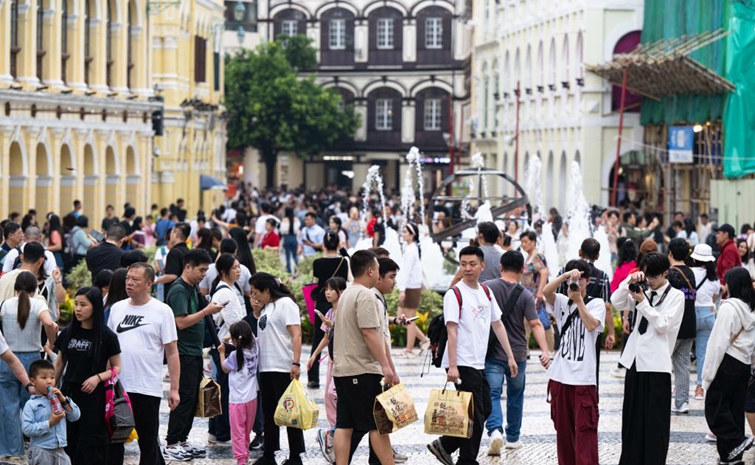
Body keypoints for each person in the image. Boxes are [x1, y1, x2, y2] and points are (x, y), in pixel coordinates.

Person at [427, 246, 518, 465]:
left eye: (472, 264)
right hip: (463, 363)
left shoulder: (486, 292)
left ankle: (446, 444)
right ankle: (466, 461)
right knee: (475, 416)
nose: (467, 268)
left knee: (484, 409)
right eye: (463, 264)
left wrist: (510, 356)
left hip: (478, 362)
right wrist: (453, 366)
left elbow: (497, 324)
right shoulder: (455, 294)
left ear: (482, 266)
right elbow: (452, 330)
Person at [611, 252, 685, 464]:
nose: (650, 281)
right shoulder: (641, 288)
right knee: (632, 419)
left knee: (655, 422)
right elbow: (616, 302)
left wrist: (643, 302)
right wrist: (628, 282)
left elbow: (663, 325)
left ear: (666, 273)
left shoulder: (676, 296)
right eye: (647, 276)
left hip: (656, 364)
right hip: (635, 361)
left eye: (654, 277)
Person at [107, 262, 181, 465]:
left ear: (149, 283)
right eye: (127, 278)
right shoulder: (117, 309)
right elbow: (109, 349)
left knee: (148, 442)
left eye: (135, 279)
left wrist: (174, 389)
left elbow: (172, 352)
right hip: (118, 387)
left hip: (147, 387)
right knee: (114, 440)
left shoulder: (162, 311)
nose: (129, 283)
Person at [332, 250, 396, 465]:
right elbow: (369, 332)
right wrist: (386, 366)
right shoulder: (366, 295)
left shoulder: (347, 294)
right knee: (377, 425)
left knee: (345, 424)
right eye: (378, 269)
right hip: (363, 369)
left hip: (343, 370)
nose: (379, 273)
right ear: (370, 270)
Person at [484, 251, 550, 456]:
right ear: (522, 269)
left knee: (492, 393)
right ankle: (513, 438)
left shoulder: (486, 288)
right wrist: (545, 350)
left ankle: (495, 430)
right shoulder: (525, 294)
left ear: (500, 268)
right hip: (518, 353)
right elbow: (536, 324)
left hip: (493, 351)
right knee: (515, 396)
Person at [544, 260, 606, 465]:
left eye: (580, 279)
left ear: (587, 280)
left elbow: (591, 325)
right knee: (563, 433)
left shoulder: (596, 304)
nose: (576, 283)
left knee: (586, 432)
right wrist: (564, 277)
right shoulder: (562, 301)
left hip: (583, 379)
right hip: (560, 377)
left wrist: (579, 300)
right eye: (573, 280)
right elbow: (545, 292)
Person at [165, 249, 224, 460]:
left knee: (191, 398)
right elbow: (180, 323)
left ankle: (182, 439)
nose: (203, 274)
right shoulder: (179, 290)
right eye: (201, 270)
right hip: (182, 353)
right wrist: (206, 311)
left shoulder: (192, 288)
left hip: (194, 352)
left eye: (206, 270)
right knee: (183, 397)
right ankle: (172, 442)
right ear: (187, 267)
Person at [53, 287, 121, 463]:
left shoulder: (107, 336)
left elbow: (117, 367)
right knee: (69, 438)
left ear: (95, 307)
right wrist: (51, 387)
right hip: (69, 393)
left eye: (83, 305)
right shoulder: (69, 332)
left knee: (91, 441)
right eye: (76, 304)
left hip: (94, 396)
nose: (78, 309)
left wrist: (97, 377)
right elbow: (60, 362)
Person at [0, 271, 56, 459]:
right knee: (35, 405)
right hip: (32, 361)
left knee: (8, 407)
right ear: (34, 288)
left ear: (16, 287)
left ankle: (11, 452)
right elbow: (50, 323)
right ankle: (39, 448)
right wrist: (51, 342)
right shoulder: (39, 304)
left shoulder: (5, 305)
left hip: (6, 359)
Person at [250, 272, 304, 465]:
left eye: (256, 292)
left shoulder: (286, 304)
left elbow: (296, 335)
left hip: (283, 366)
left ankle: (295, 456)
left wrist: (296, 363)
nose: (254, 296)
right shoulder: (267, 307)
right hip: (266, 367)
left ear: (267, 289)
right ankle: (269, 454)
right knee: (269, 412)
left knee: (290, 414)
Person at [702, 267, 755, 465]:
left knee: (714, 406)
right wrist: (751, 366)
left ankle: (737, 440)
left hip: (728, 361)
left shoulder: (729, 308)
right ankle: (730, 455)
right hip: (743, 364)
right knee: (734, 409)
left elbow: (718, 343)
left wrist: (707, 376)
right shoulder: (752, 308)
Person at [207, 253, 247, 445]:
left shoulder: (228, 289)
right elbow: (234, 325)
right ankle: (222, 432)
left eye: (239, 266)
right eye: (234, 267)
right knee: (225, 390)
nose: (238, 270)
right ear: (224, 271)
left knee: (221, 388)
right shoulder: (225, 293)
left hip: (223, 346)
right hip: (226, 347)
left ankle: (216, 432)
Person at [308, 277, 347, 464]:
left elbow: (347, 333)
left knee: (333, 393)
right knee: (328, 395)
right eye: (326, 289)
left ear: (341, 291)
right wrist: (314, 355)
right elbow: (325, 336)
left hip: (344, 360)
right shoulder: (330, 311)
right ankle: (332, 431)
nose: (327, 292)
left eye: (332, 289)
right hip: (332, 359)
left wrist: (334, 326)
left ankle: (333, 432)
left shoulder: (346, 312)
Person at [556, 238, 614, 349]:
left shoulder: (566, 271)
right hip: (591, 327)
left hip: (567, 324)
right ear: (597, 256)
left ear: (579, 252)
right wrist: (611, 333)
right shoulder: (602, 276)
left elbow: (556, 295)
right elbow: (607, 306)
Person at [309, 231, 349, 388]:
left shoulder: (317, 263)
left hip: (322, 302)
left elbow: (315, 282)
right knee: (340, 334)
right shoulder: (343, 262)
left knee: (319, 336)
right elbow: (345, 281)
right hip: (339, 301)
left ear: (324, 244)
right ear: (338, 243)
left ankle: (313, 377)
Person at [22, 359, 81, 465]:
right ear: (33, 381)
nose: (49, 381)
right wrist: (50, 423)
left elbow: (75, 416)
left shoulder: (59, 400)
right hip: (41, 451)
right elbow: (27, 429)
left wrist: (63, 400)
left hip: (61, 451)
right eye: (44, 377)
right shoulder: (31, 404)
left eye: (52, 377)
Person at [218, 321, 260, 465]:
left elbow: (224, 368)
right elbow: (250, 335)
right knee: (246, 431)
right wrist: (235, 336)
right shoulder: (255, 348)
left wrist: (222, 353)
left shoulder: (235, 355)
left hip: (237, 401)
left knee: (237, 433)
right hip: (252, 399)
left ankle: (241, 461)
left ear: (235, 340)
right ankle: (245, 457)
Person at [667, 238, 697, 414]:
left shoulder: (670, 274)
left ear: (670, 253)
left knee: (663, 363)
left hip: (674, 326)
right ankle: (682, 402)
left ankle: (661, 397)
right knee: (683, 364)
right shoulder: (691, 273)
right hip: (689, 324)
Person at [690, 244, 721, 400]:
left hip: (690, 315)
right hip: (708, 315)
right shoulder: (714, 278)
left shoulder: (689, 273)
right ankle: (700, 388)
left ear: (694, 258)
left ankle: (678, 388)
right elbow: (714, 298)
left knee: (682, 352)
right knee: (702, 354)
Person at [397, 223, 429, 357]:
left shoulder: (411, 250)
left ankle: (409, 350)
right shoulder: (410, 248)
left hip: (411, 288)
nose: (403, 234)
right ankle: (425, 340)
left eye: (405, 232)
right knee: (401, 317)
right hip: (410, 286)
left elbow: (407, 272)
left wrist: (402, 290)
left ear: (412, 235)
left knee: (409, 320)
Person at [520, 230, 554, 354]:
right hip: (527, 294)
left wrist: (540, 292)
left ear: (533, 242)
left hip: (536, 295)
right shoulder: (528, 257)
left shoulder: (537, 256)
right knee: (525, 322)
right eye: (522, 242)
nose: (523, 244)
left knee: (543, 322)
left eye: (526, 241)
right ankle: (524, 350)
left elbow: (544, 272)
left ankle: (550, 350)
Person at [154, 222, 191, 296]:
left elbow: (172, 276)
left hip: (174, 293)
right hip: (186, 290)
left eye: (171, 233)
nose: (170, 235)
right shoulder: (188, 251)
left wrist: (155, 280)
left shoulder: (174, 252)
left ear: (176, 234)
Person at [716, 224, 742, 289]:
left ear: (726, 235)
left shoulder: (729, 250)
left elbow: (727, 272)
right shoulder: (727, 248)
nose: (716, 236)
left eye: (719, 233)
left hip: (729, 290)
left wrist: (720, 289)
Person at [280, 207, 300, 274]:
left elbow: (282, 231)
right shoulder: (296, 219)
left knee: (287, 255)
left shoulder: (284, 219)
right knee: (295, 255)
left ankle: (288, 269)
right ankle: (298, 267)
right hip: (294, 237)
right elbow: (298, 229)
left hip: (287, 237)